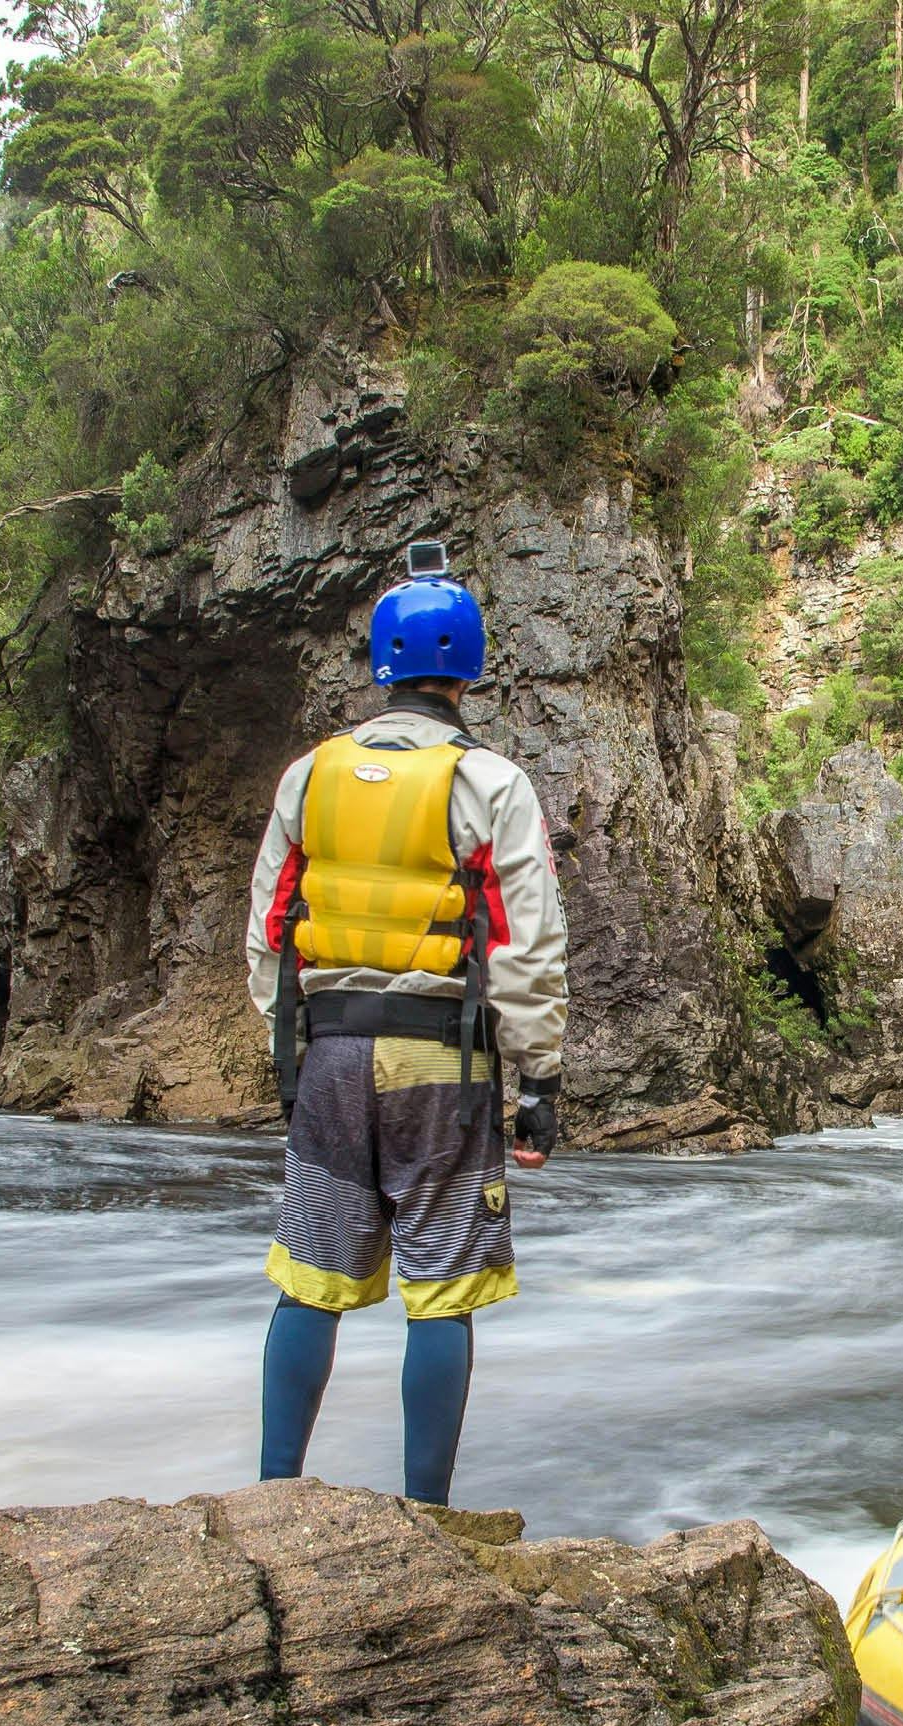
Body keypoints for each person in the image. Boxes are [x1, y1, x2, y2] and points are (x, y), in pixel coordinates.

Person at [243, 554, 568, 1505]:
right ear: (466, 671)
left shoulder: (309, 776)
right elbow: (525, 940)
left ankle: (272, 1496)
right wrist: (538, 1082)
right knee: (446, 1289)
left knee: (309, 1279)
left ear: (381, 667)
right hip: (441, 1062)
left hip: (333, 1054)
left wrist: (289, 1048)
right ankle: (425, 1512)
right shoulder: (493, 783)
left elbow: (271, 924)